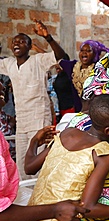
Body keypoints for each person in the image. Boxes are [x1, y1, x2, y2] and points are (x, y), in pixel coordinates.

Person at [0, 85, 88, 221]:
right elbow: (30, 168)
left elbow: (29, 167)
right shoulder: (65, 141)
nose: (3, 87)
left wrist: (34, 142)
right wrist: (54, 210)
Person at [0, 19, 67, 180]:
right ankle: (25, 201)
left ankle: (38, 200)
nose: (17, 44)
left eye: (22, 41)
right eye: (15, 41)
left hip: (39, 120)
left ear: (30, 47)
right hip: (22, 122)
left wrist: (48, 37)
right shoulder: (8, 64)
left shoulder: (38, 61)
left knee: (37, 164)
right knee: (23, 165)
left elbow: (61, 56)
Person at [59, 40, 109, 112]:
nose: (84, 53)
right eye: (82, 50)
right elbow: (58, 57)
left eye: (88, 51)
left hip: (96, 111)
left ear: (95, 54)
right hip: (79, 111)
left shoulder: (99, 70)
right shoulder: (73, 67)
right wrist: (48, 38)